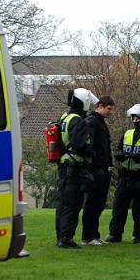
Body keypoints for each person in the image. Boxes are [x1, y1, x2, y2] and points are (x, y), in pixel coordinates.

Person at [106, 104, 140, 244]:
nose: (134, 120)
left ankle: (139, 234)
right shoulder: (127, 133)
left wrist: (131, 156)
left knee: (139, 208)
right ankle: (115, 234)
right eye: (133, 117)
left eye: (138, 117)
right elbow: (118, 150)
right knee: (119, 207)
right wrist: (120, 155)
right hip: (125, 175)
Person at [55, 87, 96, 248]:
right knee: (72, 204)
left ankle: (60, 236)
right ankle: (66, 238)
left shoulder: (65, 117)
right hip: (74, 167)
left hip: (64, 166)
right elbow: (80, 144)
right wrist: (90, 153)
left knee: (63, 203)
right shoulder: (77, 120)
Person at [81, 96, 115, 245]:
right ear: (100, 106)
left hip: (103, 167)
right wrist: (91, 161)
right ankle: (88, 236)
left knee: (99, 203)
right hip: (95, 168)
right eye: (109, 109)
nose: (111, 112)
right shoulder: (92, 122)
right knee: (92, 203)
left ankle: (94, 234)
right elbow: (88, 143)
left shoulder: (100, 122)